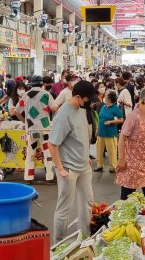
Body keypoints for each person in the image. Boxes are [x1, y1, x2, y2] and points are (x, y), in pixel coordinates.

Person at [49, 80, 96, 243]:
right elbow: (52, 144)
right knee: (65, 208)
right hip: (68, 168)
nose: (89, 102)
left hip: (84, 166)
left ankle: (83, 238)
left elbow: (81, 136)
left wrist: (87, 156)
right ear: (78, 97)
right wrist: (60, 168)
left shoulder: (81, 111)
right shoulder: (63, 115)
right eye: (87, 99)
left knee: (87, 202)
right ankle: (58, 243)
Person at [116, 86, 145, 199]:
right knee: (127, 198)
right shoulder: (134, 116)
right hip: (133, 163)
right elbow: (122, 137)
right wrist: (121, 159)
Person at [16, 75, 58, 181]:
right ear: (42, 83)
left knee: (30, 153)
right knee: (47, 153)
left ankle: (28, 177)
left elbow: (16, 111)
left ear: (31, 84)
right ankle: (49, 176)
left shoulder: (25, 95)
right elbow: (54, 108)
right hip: (45, 128)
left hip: (31, 129)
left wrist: (24, 121)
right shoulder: (46, 94)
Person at [95, 90, 123, 173]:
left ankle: (113, 166)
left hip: (110, 133)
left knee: (112, 150)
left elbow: (121, 119)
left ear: (110, 98)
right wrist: (97, 129)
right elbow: (100, 119)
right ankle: (99, 165)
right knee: (99, 150)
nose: (104, 96)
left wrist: (111, 122)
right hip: (101, 131)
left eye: (106, 95)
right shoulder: (103, 107)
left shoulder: (116, 108)